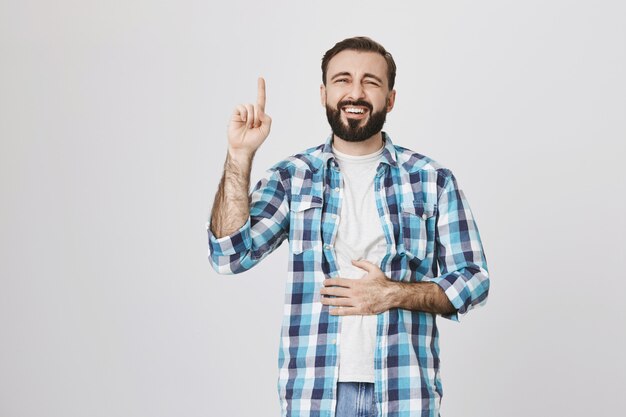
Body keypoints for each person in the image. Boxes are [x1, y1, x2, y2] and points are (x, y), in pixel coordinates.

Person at [207, 36, 490, 417]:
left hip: (405, 393)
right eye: (342, 80)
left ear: (390, 98)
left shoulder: (432, 179)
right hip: (315, 395)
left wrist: (392, 294)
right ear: (324, 93)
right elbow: (228, 256)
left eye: (370, 82)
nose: (355, 92)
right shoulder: (293, 178)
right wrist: (240, 156)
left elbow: (474, 279)